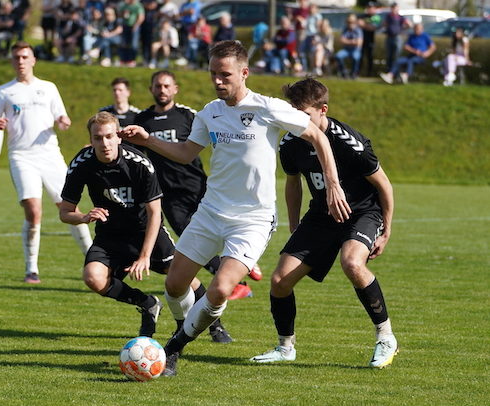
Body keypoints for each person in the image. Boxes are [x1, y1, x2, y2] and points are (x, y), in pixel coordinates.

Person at [119, 40, 350, 376]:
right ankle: (187, 326)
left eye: (224, 74)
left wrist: (333, 184)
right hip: (211, 211)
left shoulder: (267, 107)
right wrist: (148, 140)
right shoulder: (209, 112)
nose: (217, 80)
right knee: (174, 285)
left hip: (253, 219)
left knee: (220, 289)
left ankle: (174, 348)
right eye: (213, 73)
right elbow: (186, 153)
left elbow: (319, 137)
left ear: (244, 73)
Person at [250, 78, 398, 369]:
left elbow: (384, 185)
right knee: (280, 281)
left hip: (363, 213)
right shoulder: (290, 143)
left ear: (323, 110)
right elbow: (293, 183)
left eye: (304, 114)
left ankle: (385, 337)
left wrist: (386, 230)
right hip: (320, 216)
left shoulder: (350, 143)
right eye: (292, 113)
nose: (297, 121)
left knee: (352, 263)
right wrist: (295, 224)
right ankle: (285, 347)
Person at [135, 70, 240, 342]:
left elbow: (211, 141)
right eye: (157, 86)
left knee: (217, 233)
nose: (162, 90)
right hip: (167, 194)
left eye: (166, 85)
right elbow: (136, 156)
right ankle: (223, 276)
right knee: (188, 238)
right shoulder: (142, 120)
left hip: (198, 188)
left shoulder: (188, 115)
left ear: (175, 89)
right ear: (151, 89)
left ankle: (233, 268)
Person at [0, 41, 92, 284]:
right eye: (16, 57)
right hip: (21, 156)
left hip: (50, 155)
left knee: (70, 209)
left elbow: (62, 119)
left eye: (25, 57)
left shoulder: (48, 88)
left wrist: (63, 122)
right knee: (33, 211)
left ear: (33, 60)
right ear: (12, 61)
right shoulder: (4, 91)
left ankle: (92, 257)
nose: (21, 61)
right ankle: (31, 269)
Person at [59, 112, 167, 338]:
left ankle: (214, 324)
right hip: (111, 234)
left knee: (181, 279)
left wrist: (144, 256)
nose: (104, 143)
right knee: (93, 277)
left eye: (109, 136)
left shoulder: (139, 163)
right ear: (91, 140)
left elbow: (155, 213)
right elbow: (65, 212)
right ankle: (148, 304)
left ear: (119, 137)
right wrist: (83, 217)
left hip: (144, 229)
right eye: (98, 138)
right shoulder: (81, 164)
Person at [383, 2, 411, 73]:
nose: (393, 9)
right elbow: (384, 24)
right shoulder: (388, 17)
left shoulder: (400, 17)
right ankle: (389, 72)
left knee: (397, 55)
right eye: (392, 8)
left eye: (395, 8)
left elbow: (409, 24)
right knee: (389, 56)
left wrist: (402, 29)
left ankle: (396, 72)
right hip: (389, 37)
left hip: (397, 37)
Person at [335, 14, 363, 79]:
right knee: (338, 56)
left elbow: (359, 43)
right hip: (346, 50)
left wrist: (347, 41)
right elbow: (342, 41)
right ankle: (343, 72)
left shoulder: (358, 30)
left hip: (355, 50)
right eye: (349, 22)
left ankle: (354, 73)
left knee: (355, 57)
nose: (350, 24)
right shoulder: (345, 29)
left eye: (352, 22)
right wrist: (353, 41)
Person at [358, 1, 382, 77]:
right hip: (362, 39)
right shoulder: (363, 16)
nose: (370, 9)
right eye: (369, 7)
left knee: (370, 57)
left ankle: (369, 73)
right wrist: (365, 25)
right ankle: (358, 72)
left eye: (371, 7)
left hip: (370, 40)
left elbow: (372, 28)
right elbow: (358, 23)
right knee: (360, 56)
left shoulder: (376, 17)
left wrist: (364, 25)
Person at [118, 0, 145, 67]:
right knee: (124, 43)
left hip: (134, 26)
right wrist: (124, 13)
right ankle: (124, 59)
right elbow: (119, 15)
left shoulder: (138, 6)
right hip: (125, 26)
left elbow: (141, 17)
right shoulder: (125, 6)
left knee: (133, 44)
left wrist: (136, 26)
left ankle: (132, 59)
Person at [300, 3, 322, 74]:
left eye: (313, 7)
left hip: (313, 36)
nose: (311, 9)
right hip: (307, 36)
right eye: (310, 7)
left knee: (312, 53)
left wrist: (315, 38)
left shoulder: (317, 16)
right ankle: (304, 69)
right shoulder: (308, 16)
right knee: (302, 53)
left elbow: (318, 28)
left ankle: (313, 69)